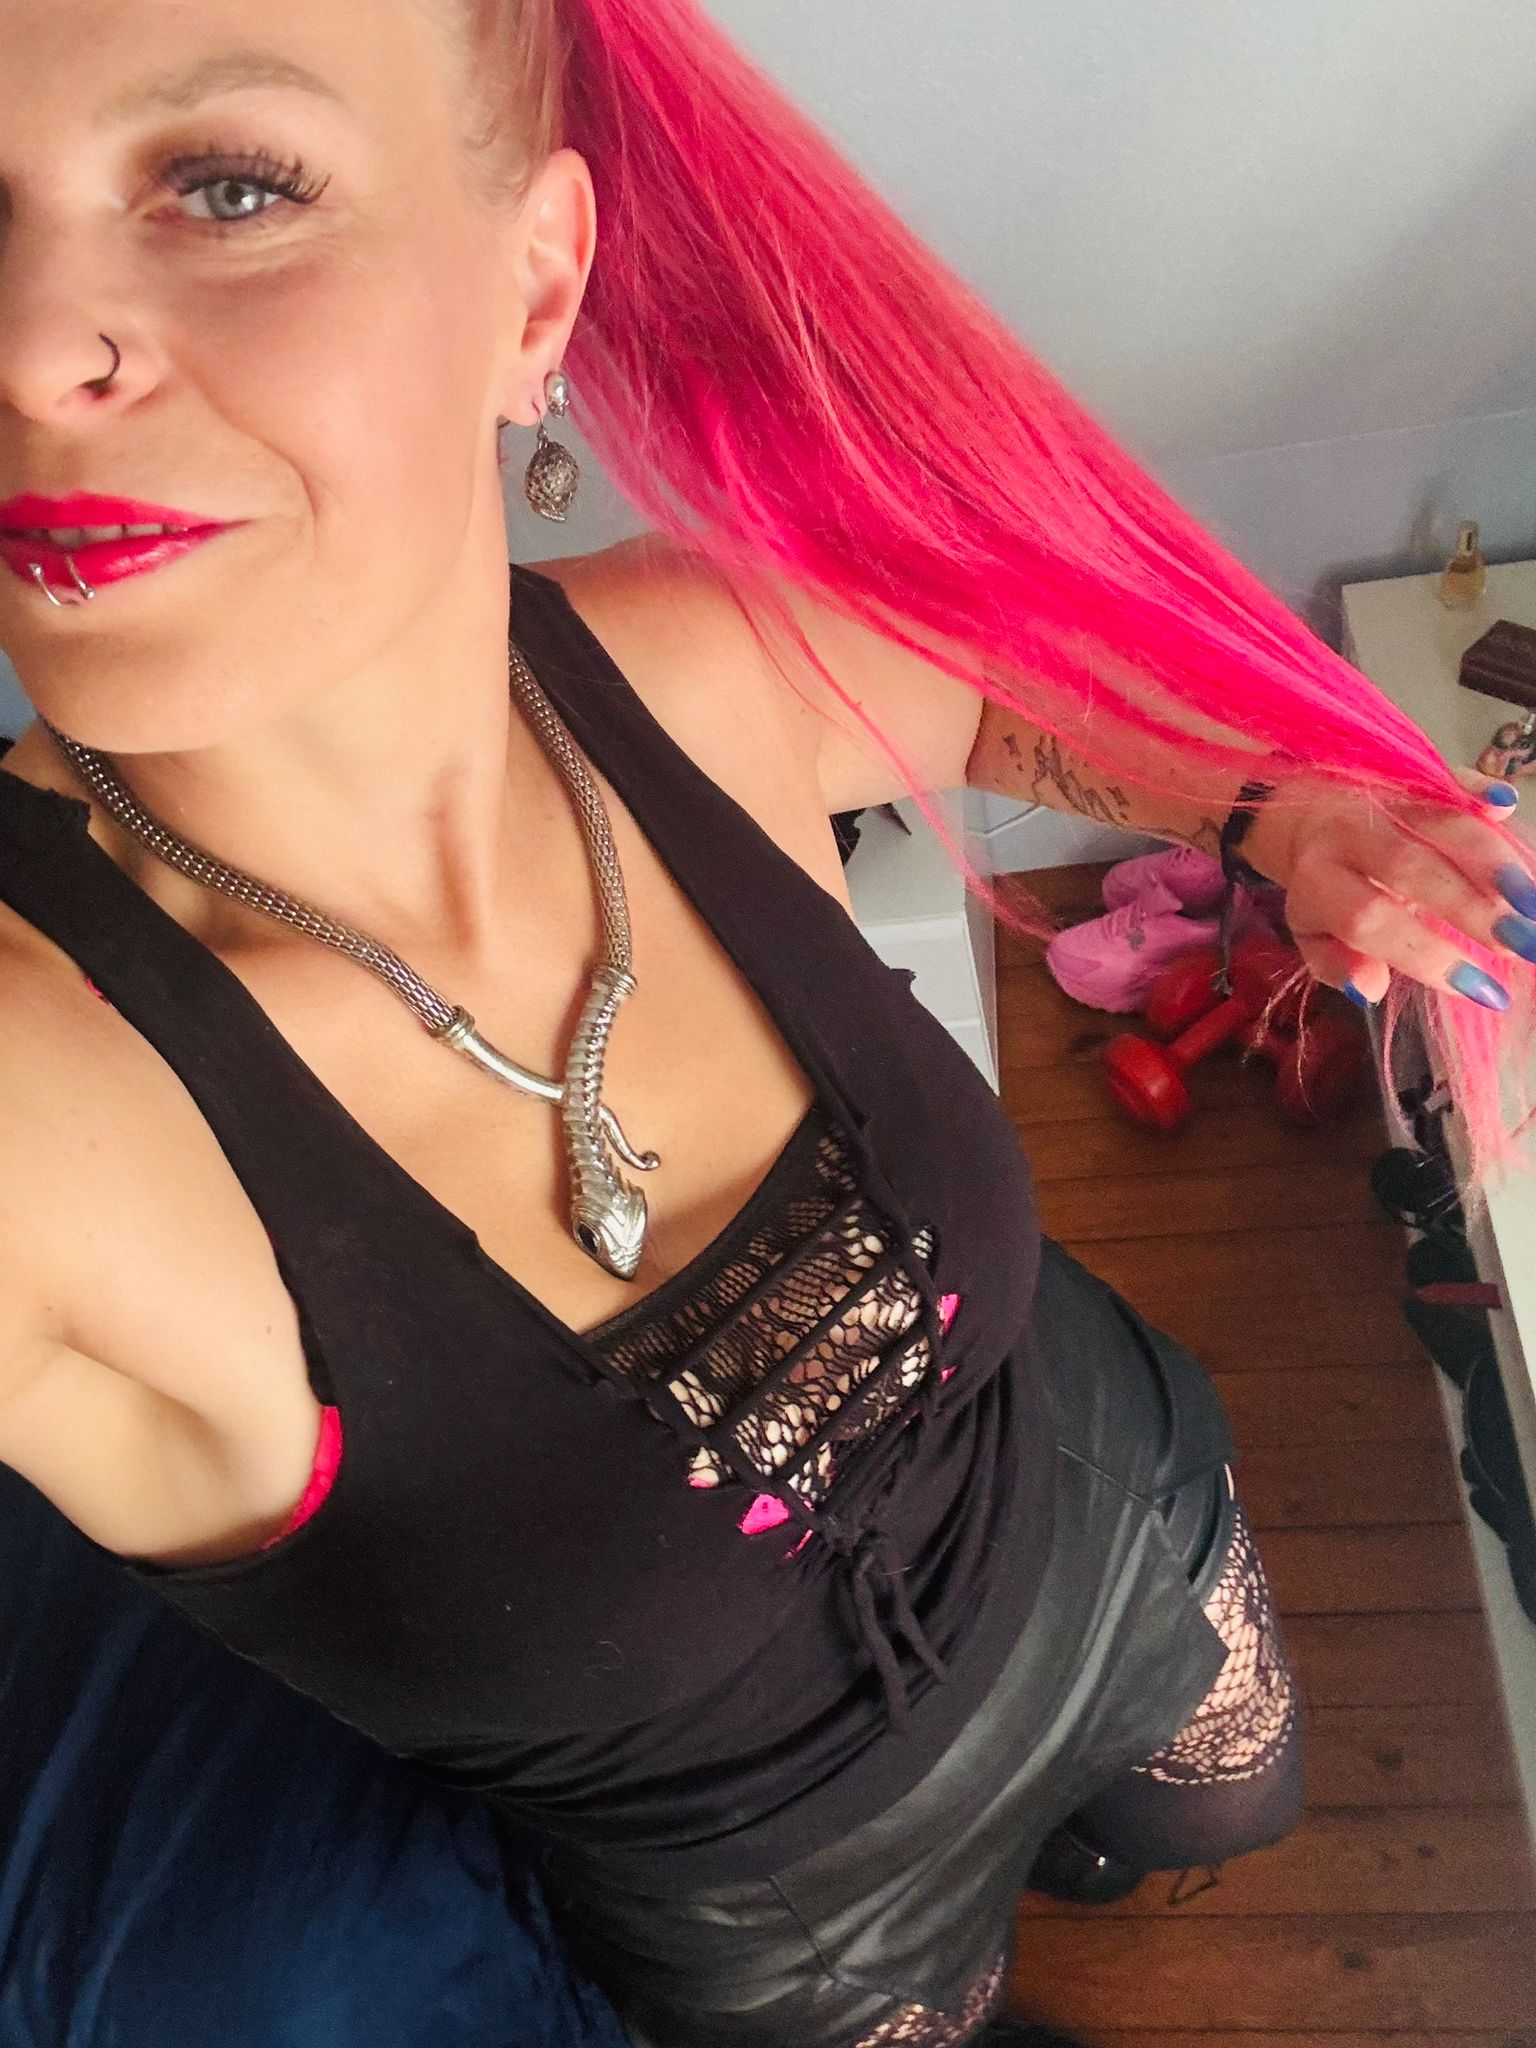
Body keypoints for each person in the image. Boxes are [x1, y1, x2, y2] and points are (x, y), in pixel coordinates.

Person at [0, 3, 1531, 2044]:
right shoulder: (44, 1108)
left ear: (533, 287)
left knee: (1226, 1811)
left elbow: (979, 685)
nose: (30, 346)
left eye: (225, 185)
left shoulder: (695, 654)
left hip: (1114, 1527)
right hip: (801, 1921)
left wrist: (1267, 809)